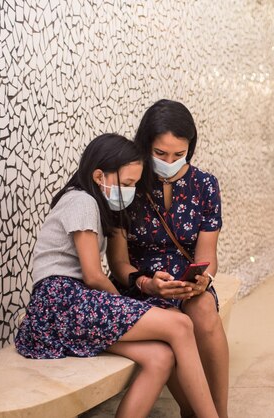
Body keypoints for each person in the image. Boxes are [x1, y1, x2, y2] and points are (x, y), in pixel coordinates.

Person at [15, 134, 218, 418]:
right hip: (61, 302)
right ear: (99, 175)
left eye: (134, 185)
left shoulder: (92, 204)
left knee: (161, 357)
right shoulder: (82, 201)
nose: (130, 191)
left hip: (66, 309)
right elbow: (94, 275)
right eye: (126, 184)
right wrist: (129, 308)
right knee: (180, 325)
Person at [107, 99, 229, 417]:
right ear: (145, 145)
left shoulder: (205, 185)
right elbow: (118, 262)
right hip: (142, 285)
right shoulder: (129, 182)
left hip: (187, 281)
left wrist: (204, 281)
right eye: (161, 154)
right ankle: (196, 411)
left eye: (179, 154)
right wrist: (147, 284)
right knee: (173, 324)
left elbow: (207, 255)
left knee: (204, 311)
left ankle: (219, 412)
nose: (170, 161)